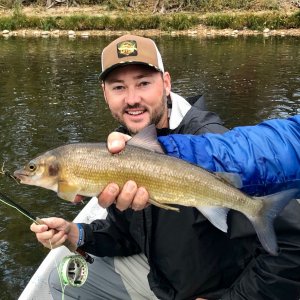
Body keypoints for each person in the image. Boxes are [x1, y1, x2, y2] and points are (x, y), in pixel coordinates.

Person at [30, 35, 300, 300]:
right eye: (118, 87)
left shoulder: (213, 145)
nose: (132, 99)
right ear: (105, 94)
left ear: (166, 83)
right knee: (60, 279)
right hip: (163, 282)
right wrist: (78, 234)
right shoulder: (120, 147)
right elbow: (129, 234)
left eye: (144, 83)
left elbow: (292, 250)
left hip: (218, 290)